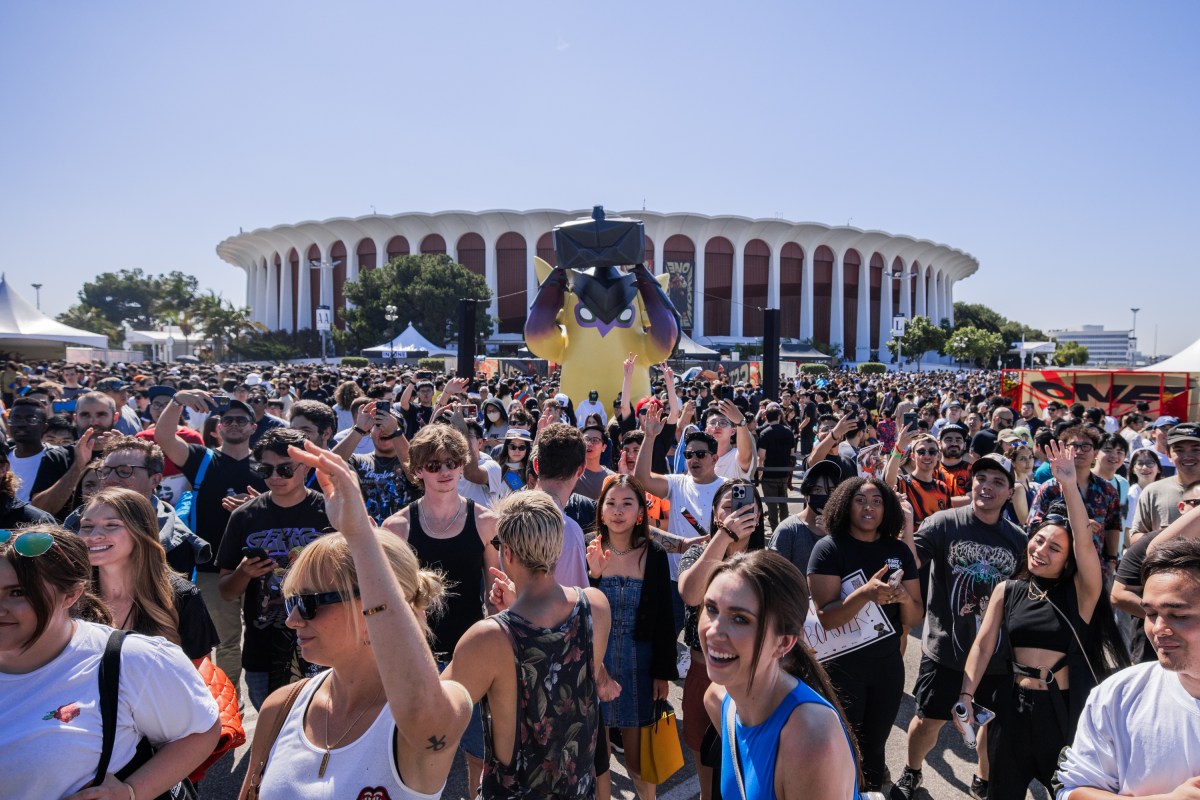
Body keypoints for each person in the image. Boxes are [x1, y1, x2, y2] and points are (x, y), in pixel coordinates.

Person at [243, 440, 473, 800]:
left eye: (309, 602)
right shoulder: (282, 706)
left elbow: (426, 716)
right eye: (291, 602)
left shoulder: (432, 709)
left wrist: (359, 536)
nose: (293, 620)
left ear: (372, 607)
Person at [959, 441, 1129, 800]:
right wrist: (966, 694)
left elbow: (1086, 544)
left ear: (1068, 558)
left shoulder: (1082, 593)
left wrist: (1069, 484)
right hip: (1013, 708)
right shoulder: (1009, 589)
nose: (1040, 551)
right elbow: (984, 644)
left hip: (1063, 711)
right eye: (1037, 542)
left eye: (1054, 548)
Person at [0, 525, 220, 800]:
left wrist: (132, 791)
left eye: (18, 592)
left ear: (71, 595)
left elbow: (201, 730)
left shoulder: (133, 660)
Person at [444, 490, 617, 800]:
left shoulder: (487, 639)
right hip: (578, 788)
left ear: (507, 553)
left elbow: (431, 715)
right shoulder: (596, 606)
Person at [894, 453, 1027, 800]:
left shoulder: (1019, 540)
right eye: (982, 478)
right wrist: (907, 524)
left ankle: (983, 777)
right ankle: (912, 771)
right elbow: (912, 563)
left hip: (996, 656)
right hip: (945, 649)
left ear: (1010, 493)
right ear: (973, 484)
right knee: (929, 719)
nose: (988, 486)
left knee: (990, 722)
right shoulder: (943, 523)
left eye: (998, 482)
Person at [383, 423, 500, 793]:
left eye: (452, 462)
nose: (445, 471)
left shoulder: (485, 521)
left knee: (478, 753)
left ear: (463, 463)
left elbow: (497, 594)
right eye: (433, 465)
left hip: (470, 652)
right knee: (415, 751)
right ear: (417, 470)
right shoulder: (397, 527)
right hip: (416, 655)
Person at [700, 550, 860, 800]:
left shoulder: (811, 740)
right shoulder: (720, 700)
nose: (713, 631)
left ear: (783, 643)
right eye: (711, 608)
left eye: (740, 619)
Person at [1052, 538, 1200, 799]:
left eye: (1178, 615)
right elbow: (1071, 790)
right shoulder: (1117, 695)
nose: (1158, 629)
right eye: (1151, 614)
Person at [807, 477, 922, 790]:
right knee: (843, 746)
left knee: (874, 749)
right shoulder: (829, 548)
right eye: (860, 499)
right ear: (845, 504)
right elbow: (827, 619)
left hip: (886, 668)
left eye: (877, 500)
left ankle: (869, 793)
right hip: (842, 670)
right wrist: (866, 593)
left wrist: (903, 599)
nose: (869, 506)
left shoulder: (898, 549)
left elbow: (915, 615)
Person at [157, 391, 267, 684]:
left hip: (262, 566)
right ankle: (231, 709)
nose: (234, 424)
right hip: (213, 568)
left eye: (241, 420)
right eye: (227, 419)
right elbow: (164, 437)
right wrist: (177, 400)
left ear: (253, 428)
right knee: (227, 642)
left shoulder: (267, 466)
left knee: (265, 635)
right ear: (218, 427)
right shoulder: (201, 459)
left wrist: (255, 506)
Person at [216, 428, 330, 708]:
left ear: (305, 467)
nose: (275, 477)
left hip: (323, 642)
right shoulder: (245, 516)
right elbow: (226, 591)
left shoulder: (329, 510)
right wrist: (244, 573)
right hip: (262, 646)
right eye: (266, 469)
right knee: (271, 724)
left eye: (285, 469)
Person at [586, 474, 677, 800]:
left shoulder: (653, 554)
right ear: (601, 510)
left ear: (641, 511)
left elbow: (666, 619)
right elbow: (580, 615)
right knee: (597, 761)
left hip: (641, 665)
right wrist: (593, 576)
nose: (618, 511)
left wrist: (663, 673)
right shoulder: (590, 551)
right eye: (611, 503)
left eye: (628, 503)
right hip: (596, 665)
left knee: (640, 761)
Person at [677, 479, 765, 800]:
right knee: (706, 768)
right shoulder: (701, 553)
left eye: (745, 506)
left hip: (753, 678)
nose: (736, 512)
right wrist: (724, 537)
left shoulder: (766, 560)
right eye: (728, 506)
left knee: (750, 769)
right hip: (704, 674)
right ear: (715, 513)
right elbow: (690, 593)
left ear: (758, 514)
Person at [78, 487, 219, 661]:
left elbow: (201, 677)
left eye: (112, 525)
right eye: (86, 526)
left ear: (141, 532)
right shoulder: (70, 597)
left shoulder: (182, 596)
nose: (94, 535)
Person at [64, 436, 211, 576]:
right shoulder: (74, 523)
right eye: (105, 471)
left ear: (154, 480)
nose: (110, 479)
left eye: (124, 471)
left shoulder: (175, 541)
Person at [769, 459, 843, 578]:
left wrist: (831, 537)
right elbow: (775, 579)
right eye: (818, 490)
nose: (826, 496)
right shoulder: (788, 531)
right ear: (806, 494)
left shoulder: (842, 528)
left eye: (831, 490)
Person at [1128, 421, 1200, 542]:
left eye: (1196, 449)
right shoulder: (1153, 491)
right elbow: (1135, 536)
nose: (1188, 456)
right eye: (1179, 450)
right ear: (1168, 455)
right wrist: (1164, 538)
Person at [756, 403, 796, 530]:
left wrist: (759, 472)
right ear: (779, 417)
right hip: (784, 472)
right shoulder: (788, 431)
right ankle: (785, 528)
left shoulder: (764, 433)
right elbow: (792, 454)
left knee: (771, 503)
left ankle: (775, 529)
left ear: (766, 418)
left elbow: (761, 456)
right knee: (783, 501)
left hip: (769, 473)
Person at [576, 423, 617, 500]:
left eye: (595, 440)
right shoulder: (571, 473)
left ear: (603, 447)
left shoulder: (612, 478)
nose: (589, 444)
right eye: (586, 439)